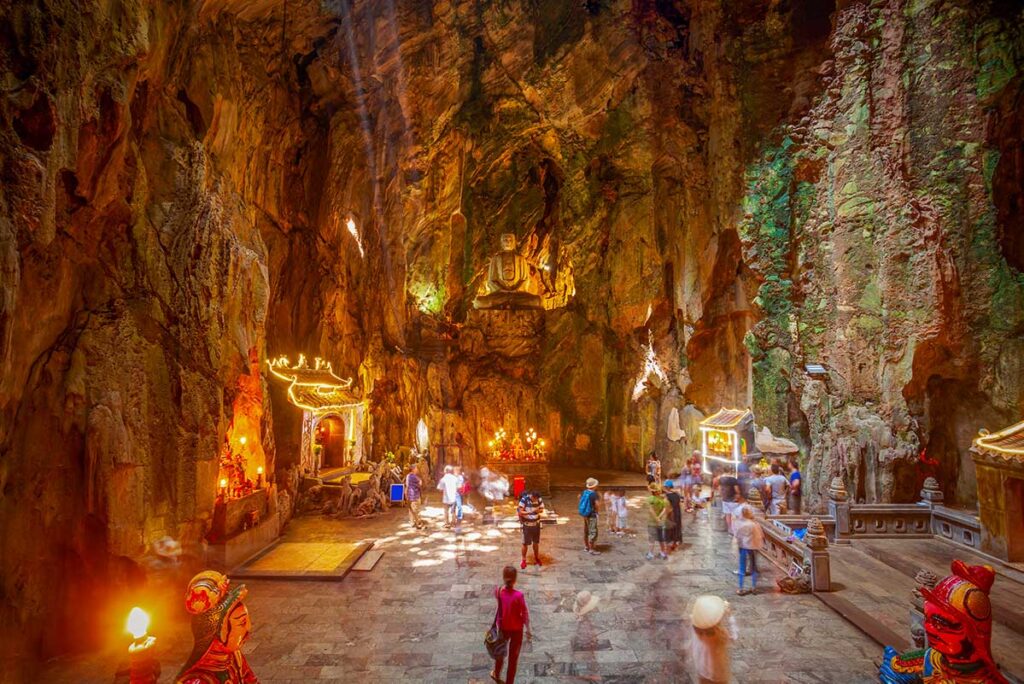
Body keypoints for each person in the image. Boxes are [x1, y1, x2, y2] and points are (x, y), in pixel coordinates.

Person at [490, 565, 531, 684]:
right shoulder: (519, 595)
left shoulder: (498, 591)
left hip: (503, 628)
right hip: (517, 630)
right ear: (515, 580)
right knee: (513, 660)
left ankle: (497, 674)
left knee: (500, 654)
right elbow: (524, 613)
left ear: (503, 578)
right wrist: (528, 629)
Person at [688, 595, 736, 684]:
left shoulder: (695, 629)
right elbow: (733, 637)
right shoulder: (718, 635)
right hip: (718, 673)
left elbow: (695, 617)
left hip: (702, 670)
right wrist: (729, 616)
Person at [732, 505, 764, 595]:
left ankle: (741, 588)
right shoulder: (755, 524)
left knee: (742, 568)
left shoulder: (741, 525)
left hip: (743, 547)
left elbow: (737, 535)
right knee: (753, 568)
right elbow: (760, 535)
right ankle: (754, 587)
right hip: (753, 548)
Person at [517, 491, 544, 569]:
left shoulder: (539, 499)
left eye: (537, 499)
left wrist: (538, 510)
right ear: (531, 496)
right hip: (527, 525)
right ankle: (523, 560)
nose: (536, 501)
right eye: (534, 499)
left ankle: (536, 558)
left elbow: (541, 509)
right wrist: (531, 512)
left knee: (536, 542)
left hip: (536, 525)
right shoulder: (524, 499)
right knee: (525, 543)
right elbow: (520, 512)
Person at [645, 482, 669, 560]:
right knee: (661, 538)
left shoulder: (650, 499)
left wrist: (656, 518)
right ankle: (663, 553)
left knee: (651, 539)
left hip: (652, 522)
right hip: (660, 523)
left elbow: (651, 510)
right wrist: (659, 518)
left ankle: (650, 554)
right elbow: (665, 510)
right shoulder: (662, 500)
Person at [578, 478, 600, 554]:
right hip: (591, 514)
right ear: (594, 486)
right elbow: (597, 504)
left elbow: (579, 498)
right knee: (593, 531)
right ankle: (592, 549)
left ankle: (586, 546)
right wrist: (597, 511)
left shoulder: (584, 492)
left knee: (586, 530)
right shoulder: (594, 494)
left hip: (585, 514)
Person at [405, 463, 425, 529]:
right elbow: (420, 483)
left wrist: (406, 494)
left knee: (411, 510)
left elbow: (407, 486)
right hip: (415, 495)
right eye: (416, 468)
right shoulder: (413, 476)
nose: (417, 469)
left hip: (410, 495)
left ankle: (412, 523)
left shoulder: (408, 476)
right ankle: (418, 523)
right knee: (416, 510)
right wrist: (420, 480)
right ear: (413, 469)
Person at [664, 480, 683, 551]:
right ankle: (675, 542)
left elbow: (667, 507)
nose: (665, 488)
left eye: (665, 487)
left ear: (668, 487)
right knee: (677, 527)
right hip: (677, 514)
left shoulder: (667, 496)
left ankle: (670, 544)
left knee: (670, 529)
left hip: (671, 514)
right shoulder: (677, 495)